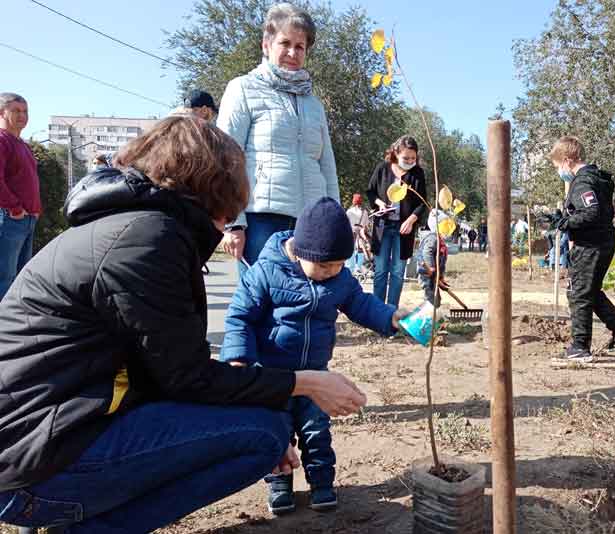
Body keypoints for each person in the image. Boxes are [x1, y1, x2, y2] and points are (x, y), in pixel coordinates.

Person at [0, 116, 367, 534]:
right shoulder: (147, 240)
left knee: (253, 424)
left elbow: (163, 369)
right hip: (30, 465)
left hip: (33, 442)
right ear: (215, 187)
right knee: (264, 435)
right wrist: (307, 383)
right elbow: (186, 378)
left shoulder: (126, 225)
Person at [221, 197, 403, 514]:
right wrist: (239, 358)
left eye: (338, 266)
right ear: (300, 250)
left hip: (316, 375)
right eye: (323, 266)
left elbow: (361, 304)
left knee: (317, 431)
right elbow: (240, 318)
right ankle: (279, 486)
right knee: (277, 434)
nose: (330, 272)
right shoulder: (266, 273)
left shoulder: (338, 278)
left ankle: (322, 484)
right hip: (273, 377)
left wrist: (390, 317)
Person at [217, 3, 339, 272]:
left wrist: (334, 217)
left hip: (311, 221)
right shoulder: (243, 89)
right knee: (261, 306)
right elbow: (226, 158)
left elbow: (326, 165)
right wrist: (233, 223)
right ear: (266, 44)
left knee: (305, 303)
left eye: (300, 46)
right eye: (285, 43)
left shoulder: (314, 105)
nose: (292, 52)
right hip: (261, 220)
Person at [549, 136, 615, 362]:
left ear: (567, 160)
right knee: (591, 292)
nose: (559, 171)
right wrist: (566, 216)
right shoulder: (597, 178)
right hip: (604, 241)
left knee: (578, 293)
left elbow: (591, 212)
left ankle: (580, 347)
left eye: (558, 166)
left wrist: (564, 223)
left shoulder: (583, 182)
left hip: (591, 245)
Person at [367, 135, 427, 307]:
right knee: (380, 271)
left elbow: (422, 202)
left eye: (413, 158)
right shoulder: (382, 168)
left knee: (397, 272)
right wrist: (378, 203)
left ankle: (392, 312)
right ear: (396, 153)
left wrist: (411, 219)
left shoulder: (418, 173)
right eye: (405, 158)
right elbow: (371, 191)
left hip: (404, 231)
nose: (409, 161)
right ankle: (377, 313)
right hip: (382, 227)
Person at [0, 93, 40, 302]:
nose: (22, 115)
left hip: (27, 220)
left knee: (20, 279)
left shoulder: (22, 145)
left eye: (25, 111)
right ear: (1, 112)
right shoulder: (1, 140)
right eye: (16, 110)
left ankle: (11, 327)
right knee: (3, 278)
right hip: (9, 219)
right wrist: (14, 208)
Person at [417, 210, 450, 307]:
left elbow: (441, 261)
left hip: (433, 276)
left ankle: (429, 317)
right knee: (431, 301)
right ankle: (422, 319)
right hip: (427, 275)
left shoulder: (439, 239)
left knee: (436, 300)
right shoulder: (432, 238)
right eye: (443, 225)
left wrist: (441, 277)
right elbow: (427, 252)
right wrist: (430, 268)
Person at [345, 193, 368, 275]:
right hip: (360, 233)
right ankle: (358, 267)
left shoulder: (349, 211)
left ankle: (350, 269)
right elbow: (365, 225)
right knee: (360, 249)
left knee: (350, 250)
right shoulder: (364, 212)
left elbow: (345, 223)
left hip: (351, 233)